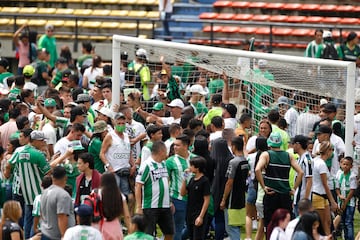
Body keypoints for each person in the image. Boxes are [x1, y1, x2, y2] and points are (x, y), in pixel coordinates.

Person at [7, 130, 51, 239]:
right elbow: (48, 172)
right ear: (35, 140)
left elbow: (8, 164)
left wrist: (7, 175)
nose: (43, 143)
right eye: (41, 141)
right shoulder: (38, 155)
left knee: (28, 221)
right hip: (39, 193)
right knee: (38, 222)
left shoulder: (18, 151)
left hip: (26, 193)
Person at [255, 132, 304, 228]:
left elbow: (257, 169)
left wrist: (263, 186)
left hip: (271, 194)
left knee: (270, 225)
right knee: (285, 225)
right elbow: (301, 172)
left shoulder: (266, 155)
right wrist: (294, 188)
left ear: (269, 143)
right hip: (285, 195)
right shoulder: (288, 156)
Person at [135, 141, 174, 240]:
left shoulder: (164, 164)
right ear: (161, 151)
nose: (167, 153)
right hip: (150, 206)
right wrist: (139, 206)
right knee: (148, 235)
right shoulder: (146, 165)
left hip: (165, 205)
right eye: (166, 151)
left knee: (169, 232)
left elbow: (166, 182)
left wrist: (169, 201)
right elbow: (138, 185)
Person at [166, 134, 196, 240]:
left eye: (177, 145)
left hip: (194, 199)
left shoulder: (195, 159)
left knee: (192, 227)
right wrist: (168, 200)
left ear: (185, 146)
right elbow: (166, 181)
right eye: (174, 145)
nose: (174, 147)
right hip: (177, 198)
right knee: (177, 228)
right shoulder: (170, 161)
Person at [100, 112, 135, 204]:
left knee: (126, 195)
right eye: (119, 123)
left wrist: (133, 165)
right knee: (115, 195)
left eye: (123, 123)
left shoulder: (126, 136)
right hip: (114, 170)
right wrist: (109, 166)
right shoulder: (110, 136)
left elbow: (129, 152)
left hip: (125, 169)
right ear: (115, 123)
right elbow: (102, 153)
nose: (121, 125)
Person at [220, 136, 249, 240]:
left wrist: (223, 200)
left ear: (234, 146)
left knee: (231, 227)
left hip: (232, 199)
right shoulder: (245, 161)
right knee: (235, 225)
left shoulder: (233, 162)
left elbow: (229, 182)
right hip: (240, 197)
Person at [41, 166, 75, 240]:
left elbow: (41, 213)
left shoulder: (45, 192)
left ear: (52, 177)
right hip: (56, 236)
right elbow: (62, 216)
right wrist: (64, 236)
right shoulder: (63, 195)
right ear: (65, 177)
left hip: (45, 232)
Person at [180, 156, 210, 240]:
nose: (189, 167)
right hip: (190, 213)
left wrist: (201, 216)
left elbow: (207, 200)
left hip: (199, 213)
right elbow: (183, 193)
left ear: (197, 168)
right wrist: (184, 179)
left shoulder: (204, 181)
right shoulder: (192, 179)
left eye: (191, 165)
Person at [312, 141, 338, 235]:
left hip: (318, 194)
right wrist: (333, 201)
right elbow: (325, 184)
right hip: (319, 194)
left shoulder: (315, 161)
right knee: (324, 225)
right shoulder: (321, 164)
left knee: (327, 222)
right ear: (328, 151)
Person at [210, 137, 234, 240]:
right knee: (222, 219)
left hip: (214, 193)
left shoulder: (212, 160)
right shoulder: (231, 160)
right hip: (228, 193)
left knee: (216, 218)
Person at [100, 172, 131, 239]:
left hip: (101, 225)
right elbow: (127, 216)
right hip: (116, 227)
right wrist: (130, 231)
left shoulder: (97, 193)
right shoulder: (120, 195)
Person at [336, 156, 357, 240]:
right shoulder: (339, 174)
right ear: (341, 164)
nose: (345, 166)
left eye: (347, 165)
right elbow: (337, 187)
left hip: (350, 203)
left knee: (348, 222)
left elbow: (352, 191)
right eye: (343, 164)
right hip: (341, 202)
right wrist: (339, 195)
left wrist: (345, 202)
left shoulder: (352, 176)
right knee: (343, 222)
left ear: (351, 166)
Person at [292, 135, 313, 216]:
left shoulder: (307, 160)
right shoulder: (300, 158)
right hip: (297, 197)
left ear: (298, 144)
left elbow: (309, 181)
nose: (292, 146)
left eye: (293, 144)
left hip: (302, 198)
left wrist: (305, 199)